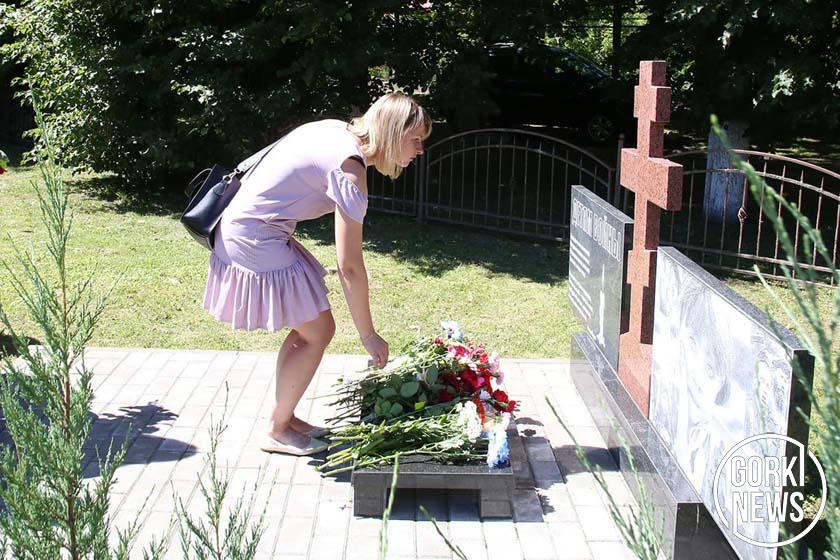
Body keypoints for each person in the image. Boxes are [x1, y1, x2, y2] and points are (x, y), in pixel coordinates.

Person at [203, 92, 431, 456]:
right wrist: (369, 336)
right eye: (415, 139)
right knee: (318, 330)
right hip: (253, 235)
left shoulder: (337, 131)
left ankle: (284, 418)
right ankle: (277, 429)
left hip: (253, 228)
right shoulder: (350, 170)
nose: (420, 149)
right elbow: (349, 266)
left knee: (311, 329)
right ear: (392, 132)